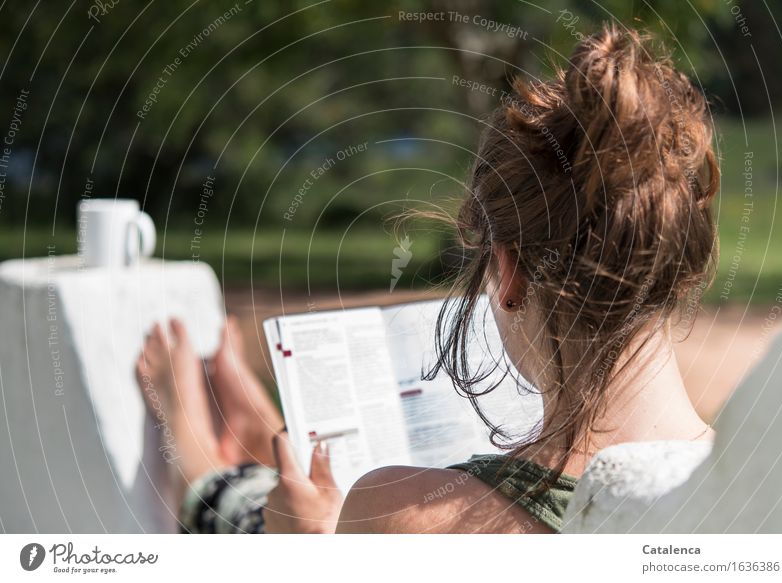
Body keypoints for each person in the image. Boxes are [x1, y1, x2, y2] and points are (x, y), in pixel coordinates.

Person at [136, 24, 719, 534]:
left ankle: (202, 463)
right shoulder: (758, 482)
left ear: (508, 273)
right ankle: (257, 432)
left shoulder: (403, 516)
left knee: (270, 518)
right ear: (684, 273)